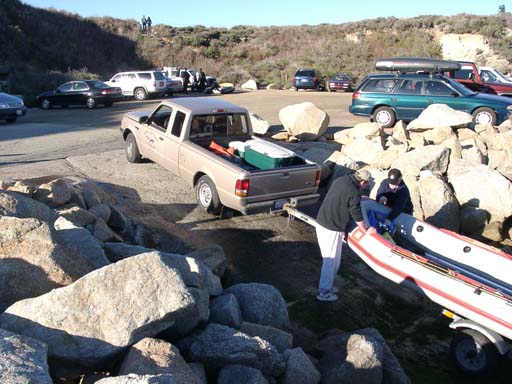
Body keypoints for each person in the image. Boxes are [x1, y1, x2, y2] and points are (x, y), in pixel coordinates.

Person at [315, 169, 374, 302]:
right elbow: (356, 212)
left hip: (323, 222)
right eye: (366, 184)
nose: (366, 186)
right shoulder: (354, 191)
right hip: (331, 228)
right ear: (363, 182)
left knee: (335, 259)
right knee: (330, 261)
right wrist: (365, 229)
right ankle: (323, 292)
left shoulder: (341, 180)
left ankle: (328, 286)